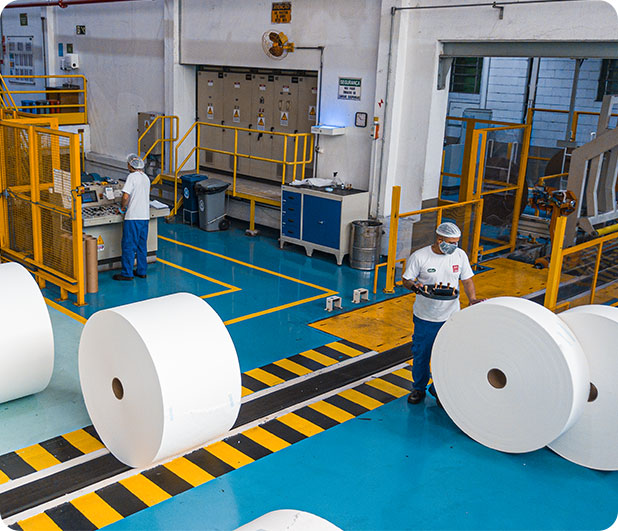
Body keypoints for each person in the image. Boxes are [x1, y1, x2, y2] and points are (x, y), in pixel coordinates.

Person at [402, 222, 483, 406]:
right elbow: (406, 280)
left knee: (447, 355)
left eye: (456, 242)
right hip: (426, 317)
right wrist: (415, 286)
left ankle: (438, 389)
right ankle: (419, 388)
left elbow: (467, 280)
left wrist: (472, 299)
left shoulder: (459, 256)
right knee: (422, 354)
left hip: (451, 317)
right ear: (440, 240)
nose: (454, 246)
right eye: (451, 242)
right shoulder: (421, 257)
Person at [113, 154, 151, 281]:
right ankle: (142, 271)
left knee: (129, 245)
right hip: (144, 217)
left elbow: (125, 196)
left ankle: (127, 273)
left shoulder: (131, 177)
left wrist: (122, 208)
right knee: (141, 246)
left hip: (133, 217)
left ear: (130, 165)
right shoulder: (146, 178)